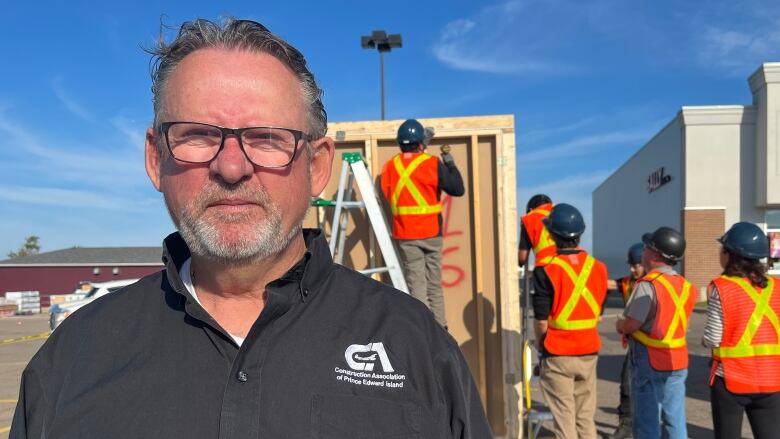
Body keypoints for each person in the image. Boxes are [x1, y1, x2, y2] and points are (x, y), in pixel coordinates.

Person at [10, 18, 492, 439]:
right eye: (198, 135)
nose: (233, 167)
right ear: (156, 159)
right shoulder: (70, 362)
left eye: (266, 138)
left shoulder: (418, 348)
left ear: (318, 166)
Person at [533, 203, 608, 439]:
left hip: (558, 354)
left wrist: (541, 345)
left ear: (552, 234)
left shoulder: (546, 270)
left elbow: (541, 321)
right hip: (588, 352)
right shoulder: (599, 268)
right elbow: (598, 309)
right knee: (585, 418)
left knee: (564, 422)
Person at [380, 119, 465, 328]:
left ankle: (422, 329)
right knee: (434, 285)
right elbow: (457, 189)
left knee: (416, 284)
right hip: (431, 233)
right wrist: (449, 161)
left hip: (406, 235)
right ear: (421, 143)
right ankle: (440, 327)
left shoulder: (390, 167)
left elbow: (387, 193)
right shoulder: (431, 163)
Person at [615, 227, 696, 439]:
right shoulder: (687, 286)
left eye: (646, 248)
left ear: (654, 254)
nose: (643, 251)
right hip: (677, 359)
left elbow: (632, 324)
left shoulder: (647, 285)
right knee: (675, 418)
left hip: (649, 360)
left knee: (647, 421)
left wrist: (620, 326)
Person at [703, 221, 780, 439]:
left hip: (730, 380)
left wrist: (704, 340)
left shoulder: (722, 287)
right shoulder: (776, 287)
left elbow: (713, 338)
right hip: (771, 379)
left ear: (730, 254)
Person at [606, 242, 645, 439]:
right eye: (630, 265)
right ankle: (626, 423)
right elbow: (607, 284)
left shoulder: (655, 283)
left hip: (655, 346)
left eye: (635, 264)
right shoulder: (628, 282)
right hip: (635, 345)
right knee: (626, 383)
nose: (632, 269)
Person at [518, 194, 555, 267]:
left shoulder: (529, 218)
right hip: (571, 265)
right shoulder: (560, 214)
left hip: (547, 268)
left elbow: (522, 258)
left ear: (531, 210)